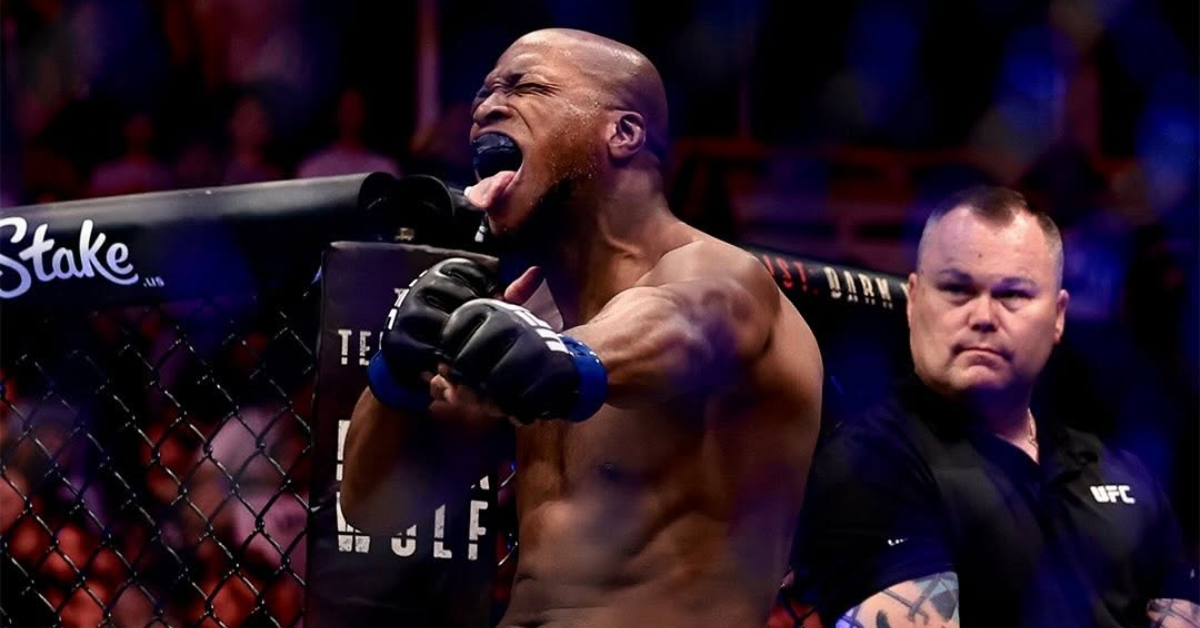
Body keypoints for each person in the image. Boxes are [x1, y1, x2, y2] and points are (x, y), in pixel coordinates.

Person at [339, 28, 823, 628]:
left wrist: (558, 358)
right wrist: (397, 375)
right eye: (484, 93)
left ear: (624, 133)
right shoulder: (529, 312)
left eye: (525, 87)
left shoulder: (721, 276)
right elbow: (374, 508)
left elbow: (681, 325)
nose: (486, 108)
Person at [794, 186, 1198, 628]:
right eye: (956, 289)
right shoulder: (867, 462)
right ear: (913, 300)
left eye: (1013, 294)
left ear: (1058, 316)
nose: (983, 316)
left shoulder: (1128, 476)